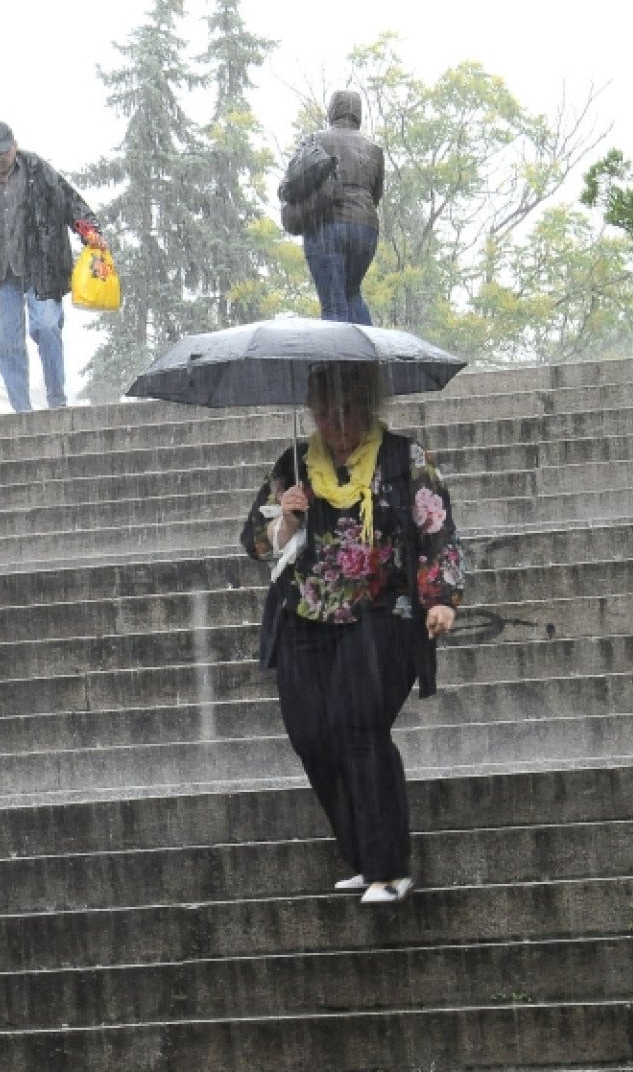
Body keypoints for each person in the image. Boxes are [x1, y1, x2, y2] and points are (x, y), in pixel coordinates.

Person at [241, 363, 465, 905]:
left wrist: (440, 599)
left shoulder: (404, 460)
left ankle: (390, 869)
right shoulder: (292, 465)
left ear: (367, 408)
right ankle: (364, 858)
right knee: (310, 735)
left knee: (358, 724)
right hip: (305, 618)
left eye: (344, 412)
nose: (334, 424)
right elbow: (256, 543)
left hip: (383, 613)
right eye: (322, 413)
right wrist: (288, 518)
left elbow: (437, 530)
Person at [0, 121, 104, 412]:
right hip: (0, 274)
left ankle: (57, 401)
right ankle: (22, 412)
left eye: (2, 152)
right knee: (7, 346)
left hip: (42, 267)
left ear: (15, 145)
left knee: (48, 326)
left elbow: (68, 200)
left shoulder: (38, 170)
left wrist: (88, 229)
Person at [297, 91, 386, 325]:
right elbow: (376, 195)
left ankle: (339, 362)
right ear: (358, 113)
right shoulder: (374, 149)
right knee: (352, 295)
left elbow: (296, 183)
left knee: (334, 306)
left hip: (326, 224)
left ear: (333, 110)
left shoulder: (315, 140)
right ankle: (370, 358)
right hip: (366, 228)